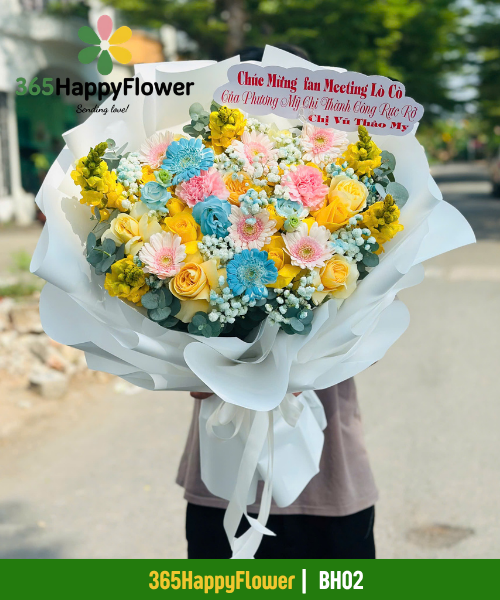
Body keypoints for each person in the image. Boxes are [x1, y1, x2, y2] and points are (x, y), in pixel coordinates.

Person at [176, 45, 378, 559]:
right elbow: (181, 347)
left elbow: (372, 329)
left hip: (329, 473)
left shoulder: (340, 188)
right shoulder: (200, 192)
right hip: (226, 476)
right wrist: (194, 361)